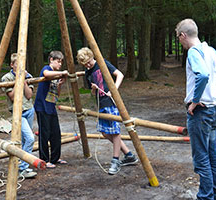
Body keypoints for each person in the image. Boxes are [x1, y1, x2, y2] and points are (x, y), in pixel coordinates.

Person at [176, 19, 216, 200]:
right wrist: (213, 89)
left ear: (183, 35)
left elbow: (202, 75)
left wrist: (194, 101)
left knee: (201, 159)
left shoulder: (194, 52)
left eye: (178, 37)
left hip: (200, 114)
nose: (179, 41)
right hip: (213, 111)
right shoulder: (209, 50)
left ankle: (205, 197)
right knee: (212, 156)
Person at [76, 47, 138, 175]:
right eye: (85, 64)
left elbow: (119, 74)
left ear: (92, 56)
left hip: (111, 102)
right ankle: (129, 155)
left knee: (115, 132)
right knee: (105, 132)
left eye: (89, 61)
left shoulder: (102, 63)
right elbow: (93, 93)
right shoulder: (88, 73)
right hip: (101, 104)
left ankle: (115, 160)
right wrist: (94, 89)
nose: (88, 65)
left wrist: (114, 89)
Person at [1, 53, 37, 178]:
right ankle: (22, 168)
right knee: (31, 138)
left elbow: (29, 95)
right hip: (17, 113)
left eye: (23, 64)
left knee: (25, 140)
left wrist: (25, 81)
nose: (22, 67)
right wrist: (19, 80)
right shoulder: (6, 78)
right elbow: (12, 97)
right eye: (18, 64)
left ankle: (21, 164)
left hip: (29, 110)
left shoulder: (28, 75)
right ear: (12, 65)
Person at [34, 51, 68, 169]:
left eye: (61, 63)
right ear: (51, 59)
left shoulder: (56, 75)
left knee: (56, 133)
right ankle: (44, 159)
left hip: (51, 106)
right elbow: (46, 73)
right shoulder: (47, 68)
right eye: (58, 62)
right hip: (42, 106)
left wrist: (60, 84)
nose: (59, 65)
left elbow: (56, 94)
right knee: (44, 133)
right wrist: (62, 72)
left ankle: (55, 157)